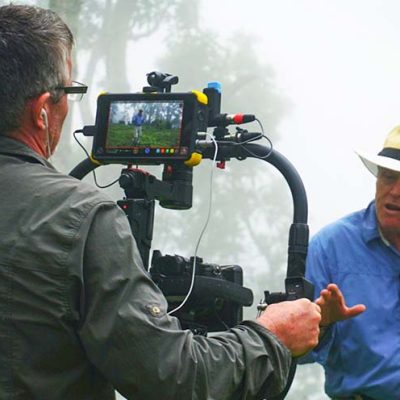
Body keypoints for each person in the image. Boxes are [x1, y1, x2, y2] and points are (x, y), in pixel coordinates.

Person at [0, 4, 351, 399]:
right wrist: (272, 336)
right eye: (69, 92)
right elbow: (172, 376)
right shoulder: (81, 216)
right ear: (42, 111)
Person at [299, 125, 400, 400]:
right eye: (388, 177)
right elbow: (293, 352)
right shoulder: (330, 247)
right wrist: (320, 324)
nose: (395, 191)